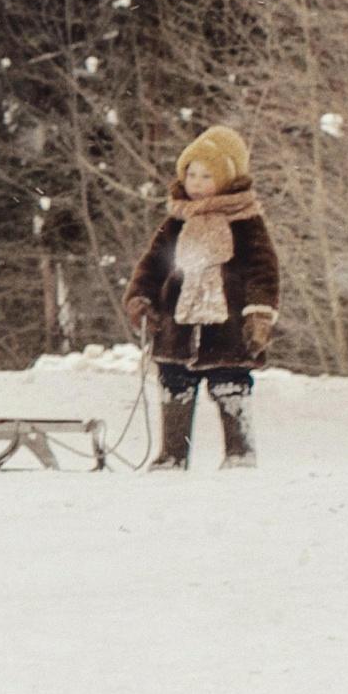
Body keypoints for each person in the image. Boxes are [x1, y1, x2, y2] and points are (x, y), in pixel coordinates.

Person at [122, 126, 280, 469]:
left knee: (230, 384)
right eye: (191, 174)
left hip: (228, 326)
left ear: (227, 178)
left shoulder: (246, 222)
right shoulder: (176, 222)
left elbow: (262, 268)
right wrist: (142, 299)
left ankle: (239, 452)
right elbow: (153, 264)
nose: (196, 182)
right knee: (174, 383)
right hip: (176, 324)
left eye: (207, 175)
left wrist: (259, 313)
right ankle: (173, 454)